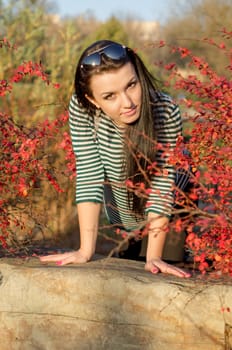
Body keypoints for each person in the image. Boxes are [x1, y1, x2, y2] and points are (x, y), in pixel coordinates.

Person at [40, 40, 191, 278]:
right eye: (110, 96)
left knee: (156, 270)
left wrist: (154, 256)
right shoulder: (82, 109)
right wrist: (85, 250)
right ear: (92, 100)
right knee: (129, 266)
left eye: (131, 85)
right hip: (126, 205)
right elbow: (90, 173)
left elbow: (163, 185)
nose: (128, 103)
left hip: (173, 204)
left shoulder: (164, 110)